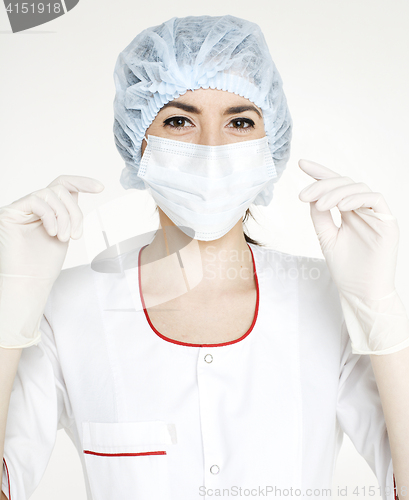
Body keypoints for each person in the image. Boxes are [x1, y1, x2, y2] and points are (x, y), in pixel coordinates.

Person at [1, 14, 409, 500]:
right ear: (138, 142)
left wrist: (378, 309)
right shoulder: (66, 308)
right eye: (178, 120)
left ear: (269, 142)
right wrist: (7, 312)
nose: (212, 148)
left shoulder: (326, 302)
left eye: (239, 121)